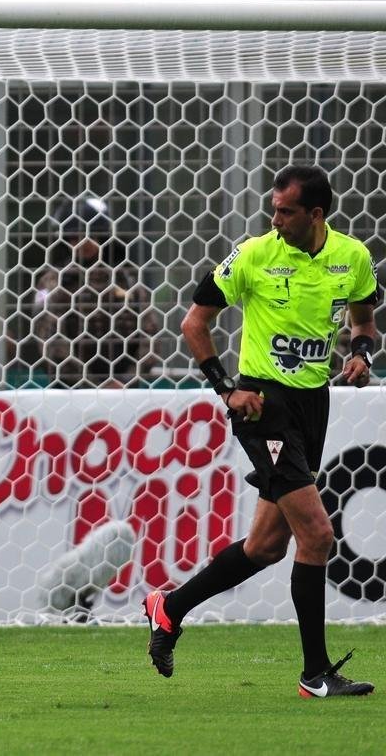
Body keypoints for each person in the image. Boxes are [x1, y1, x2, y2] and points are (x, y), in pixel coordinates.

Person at [144, 165, 378, 698]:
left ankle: (169, 608)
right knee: (317, 535)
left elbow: (364, 321)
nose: (274, 219)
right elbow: (193, 323)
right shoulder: (253, 255)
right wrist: (227, 389)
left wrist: (361, 354)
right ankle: (315, 674)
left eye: (285, 211)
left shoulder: (353, 258)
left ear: (316, 215)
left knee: (266, 546)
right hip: (262, 405)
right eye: (273, 208)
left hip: (312, 404)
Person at [25, 197, 151, 388]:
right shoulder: (52, 281)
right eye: (74, 237)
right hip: (71, 390)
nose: (82, 242)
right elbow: (47, 338)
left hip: (125, 390)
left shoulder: (127, 279)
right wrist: (91, 385)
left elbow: (150, 335)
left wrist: (126, 379)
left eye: (89, 235)